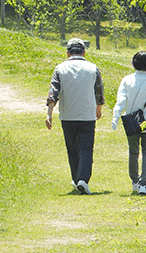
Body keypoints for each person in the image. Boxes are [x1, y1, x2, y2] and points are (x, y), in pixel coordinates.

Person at [46, 38, 105, 195]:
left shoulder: (60, 69)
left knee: (72, 149)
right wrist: (98, 108)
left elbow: (54, 93)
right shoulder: (93, 68)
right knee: (86, 148)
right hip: (87, 114)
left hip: (68, 115)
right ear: (84, 52)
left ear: (67, 53)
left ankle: (76, 178)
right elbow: (99, 91)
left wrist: (49, 114)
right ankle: (82, 180)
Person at [111, 51, 146, 195]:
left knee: (133, 152)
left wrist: (115, 117)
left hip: (132, 121)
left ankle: (134, 181)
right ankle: (144, 184)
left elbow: (121, 101)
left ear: (134, 63)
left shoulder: (127, 80)